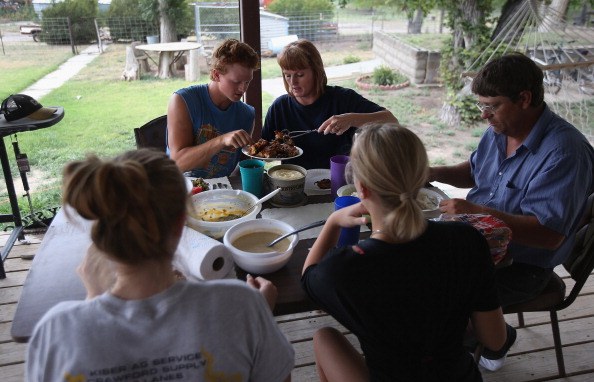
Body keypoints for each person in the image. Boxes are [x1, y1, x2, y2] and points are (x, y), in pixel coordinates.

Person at [26, 149, 294, 382]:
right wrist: (260, 315)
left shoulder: (56, 331)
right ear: (182, 224)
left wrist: (93, 299)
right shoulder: (241, 304)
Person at [301, 124, 511, 381]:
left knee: (324, 336)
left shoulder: (344, 269)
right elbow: (495, 338)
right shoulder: (466, 240)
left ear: (362, 189)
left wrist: (333, 222)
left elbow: (308, 279)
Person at [430, 53, 594, 371]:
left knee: (435, 290)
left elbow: (549, 236)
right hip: (479, 246)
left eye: (492, 105)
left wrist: (478, 212)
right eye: (482, 105)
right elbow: (475, 173)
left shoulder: (564, 153)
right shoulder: (500, 129)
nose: (484, 115)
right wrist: (432, 172)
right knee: (411, 264)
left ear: (524, 99)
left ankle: (493, 341)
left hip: (522, 267)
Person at [262, 39, 399, 169]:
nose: (293, 82)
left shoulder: (343, 99)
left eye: (300, 75)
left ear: (316, 72)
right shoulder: (280, 107)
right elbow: (262, 152)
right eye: (287, 75)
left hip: (340, 182)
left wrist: (351, 119)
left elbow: (391, 121)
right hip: (292, 184)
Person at [167, 39, 259, 178]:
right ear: (216, 75)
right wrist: (222, 140)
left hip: (223, 192)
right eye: (236, 81)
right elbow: (177, 163)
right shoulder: (183, 100)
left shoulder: (247, 114)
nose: (243, 89)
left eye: (247, 82)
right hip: (181, 188)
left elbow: (242, 165)